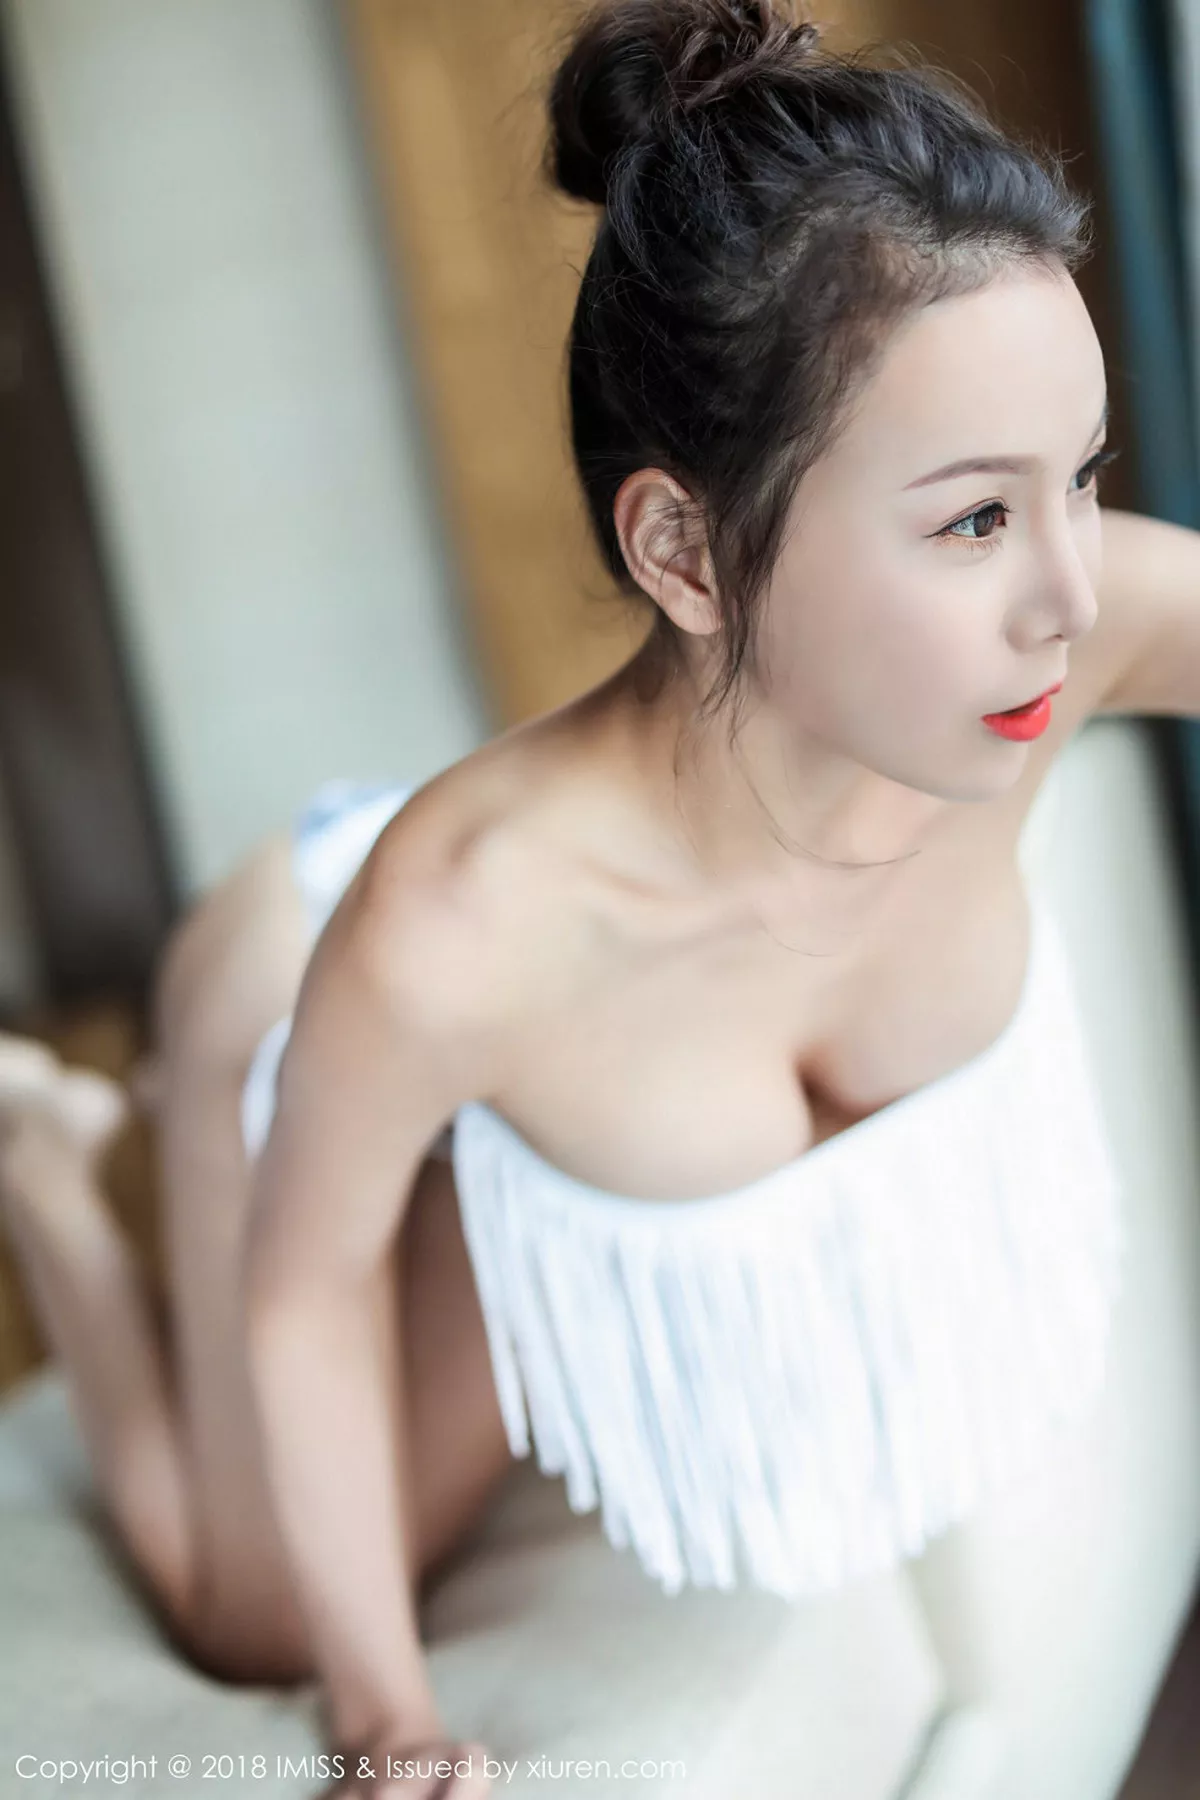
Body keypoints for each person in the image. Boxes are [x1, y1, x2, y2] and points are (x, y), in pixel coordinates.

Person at [4, 0, 1191, 1793]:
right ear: (683, 551)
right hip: (318, 974)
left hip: (553, 1018)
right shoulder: (455, 929)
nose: (1069, 593)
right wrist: (390, 1722)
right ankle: (50, 1158)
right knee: (257, 1617)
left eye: (1080, 479)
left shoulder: (1066, 641)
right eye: (973, 520)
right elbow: (308, 1296)